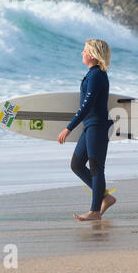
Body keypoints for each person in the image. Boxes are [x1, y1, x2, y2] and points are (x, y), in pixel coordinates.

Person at [57, 39, 115, 220]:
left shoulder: (97, 75)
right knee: (76, 165)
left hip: (97, 127)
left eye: (85, 50)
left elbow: (86, 106)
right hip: (89, 127)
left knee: (96, 168)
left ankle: (95, 211)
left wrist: (68, 128)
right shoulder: (93, 74)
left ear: (93, 54)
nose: (82, 53)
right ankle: (105, 197)